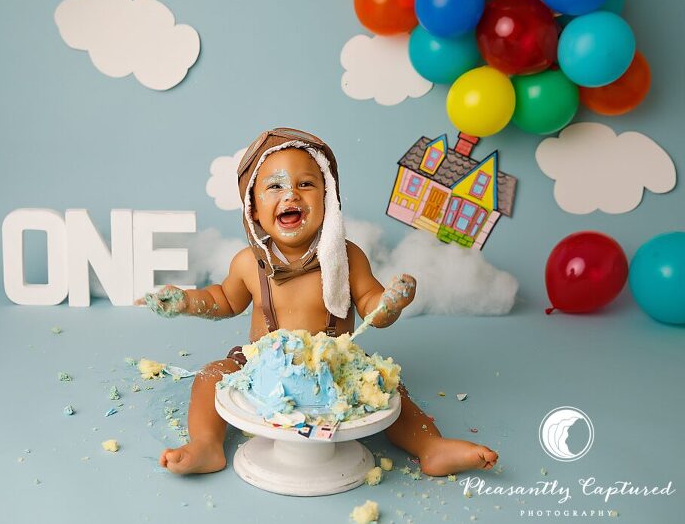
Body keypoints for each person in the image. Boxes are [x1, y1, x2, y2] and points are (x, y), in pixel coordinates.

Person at [138, 128, 499, 476]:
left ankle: (430, 448)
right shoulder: (250, 263)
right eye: (274, 186)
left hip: (336, 366)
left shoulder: (345, 257)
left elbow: (371, 303)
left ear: (329, 198)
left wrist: (389, 303)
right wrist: (185, 301)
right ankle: (206, 444)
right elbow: (222, 300)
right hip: (263, 365)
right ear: (253, 208)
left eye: (306, 184)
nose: (291, 194)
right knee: (210, 376)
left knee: (393, 393)